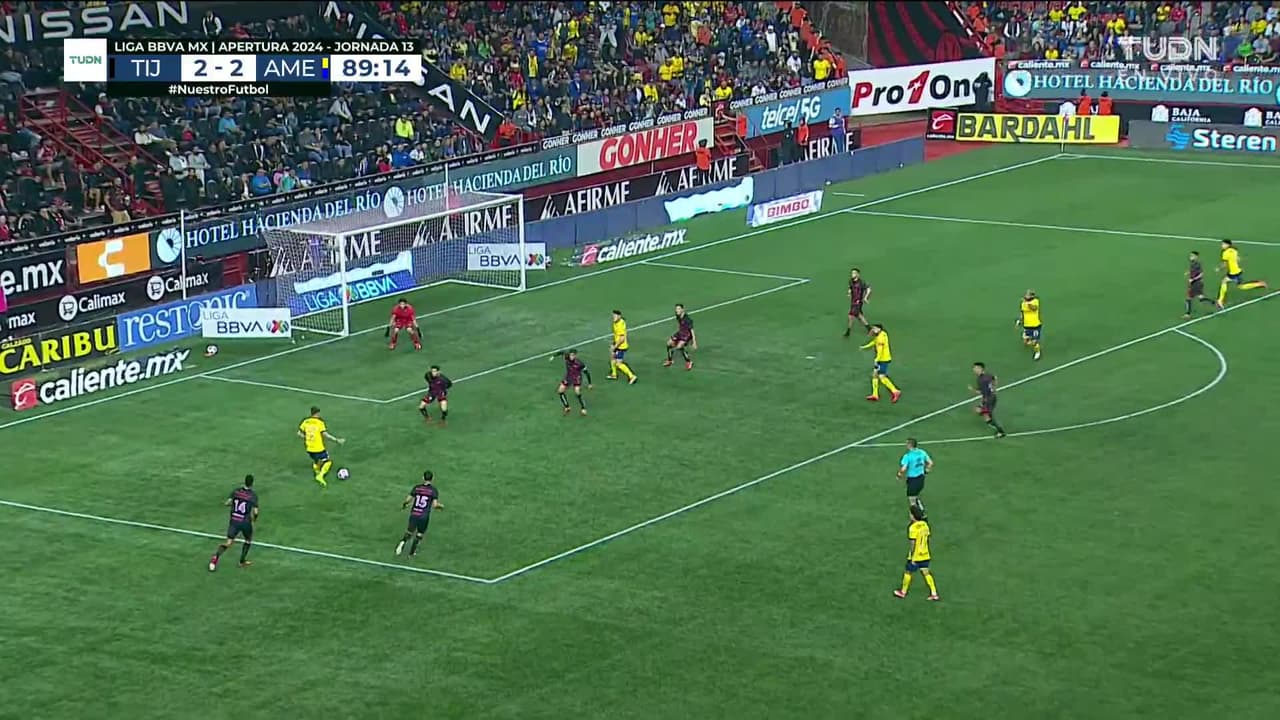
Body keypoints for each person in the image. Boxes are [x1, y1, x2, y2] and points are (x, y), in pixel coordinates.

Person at [208, 475, 258, 571]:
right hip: (245, 522)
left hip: (234, 520)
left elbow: (228, 503)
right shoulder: (253, 495)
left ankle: (215, 557)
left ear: (245, 482)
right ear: (252, 483)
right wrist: (254, 519)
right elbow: (255, 512)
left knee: (228, 543)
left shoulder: (236, 491)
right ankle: (241, 561)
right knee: (248, 540)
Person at [893, 504, 940, 601]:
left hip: (916, 556)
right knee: (926, 572)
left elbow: (913, 544)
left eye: (910, 514)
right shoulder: (925, 525)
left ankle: (903, 592)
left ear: (913, 516)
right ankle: (934, 593)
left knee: (908, 572)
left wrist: (912, 556)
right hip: (925, 554)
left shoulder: (912, 528)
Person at [396, 471, 443, 557]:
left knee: (409, 531)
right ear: (432, 479)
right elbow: (435, 505)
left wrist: (404, 505)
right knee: (419, 534)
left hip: (414, 513)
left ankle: (402, 542)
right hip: (424, 516)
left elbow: (407, 500)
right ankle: (411, 553)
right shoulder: (433, 490)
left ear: (423, 478)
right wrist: (441, 506)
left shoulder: (417, 488)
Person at [298, 406, 344, 487]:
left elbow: (299, 433)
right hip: (318, 448)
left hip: (309, 448)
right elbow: (325, 434)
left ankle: (317, 471)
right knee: (328, 462)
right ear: (317, 413)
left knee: (317, 461)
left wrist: (307, 438)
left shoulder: (305, 421)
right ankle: (320, 476)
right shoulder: (319, 423)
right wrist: (337, 440)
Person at [1216, 239, 1268, 309]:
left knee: (1224, 281)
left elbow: (1225, 264)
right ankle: (1260, 284)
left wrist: (1219, 269)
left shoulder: (1225, 253)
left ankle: (1220, 301)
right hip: (1238, 271)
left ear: (1228, 245)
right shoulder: (1234, 250)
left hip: (1232, 272)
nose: (1222, 245)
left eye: (1223, 244)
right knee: (1241, 286)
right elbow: (1238, 259)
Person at [860, 323, 901, 403]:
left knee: (882, 377)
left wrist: (877, 360)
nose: (873, 330)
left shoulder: (880, 338)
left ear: (879, 329)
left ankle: (895, 391)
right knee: (875, 375)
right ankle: (875, 395)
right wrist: (865, 347)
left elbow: (880, 351)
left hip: (883, 360)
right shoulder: (882, 334)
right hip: (883, 358)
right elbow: (874, 342)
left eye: (875, 328)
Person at [897, 438, 933, 516]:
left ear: (910, 445)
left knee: (912, 503)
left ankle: (918, 516)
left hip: (913, 480)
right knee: (916, 495)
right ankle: (920, 508)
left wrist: (899, 474)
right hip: (921, 479)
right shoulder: (922, 452)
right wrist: (927, 470)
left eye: (907, 444)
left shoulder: (908, 456)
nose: (906, 445)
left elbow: (904, 468)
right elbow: (930, 463)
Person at [971, 363, 1007, 438]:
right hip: (991, 397)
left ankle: (1001, 432)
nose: (974, 370)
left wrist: (973, 390)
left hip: (988, 399)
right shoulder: (988, 375)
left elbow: (982, 392)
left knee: (986, 416)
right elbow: (995, 378)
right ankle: (997, 428)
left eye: (975, 368)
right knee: (983, 413)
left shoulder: (981, 380)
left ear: (980, 368)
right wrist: (994, 389)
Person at [555, 349, 593, 415]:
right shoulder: (567, 358)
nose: (571, 357)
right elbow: (562, 352)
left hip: (577, 378)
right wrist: (553, 356)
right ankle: (567, 407)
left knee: (577, 392)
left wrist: (590, 383)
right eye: (571, 355)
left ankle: (583, 408)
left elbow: (587, 373)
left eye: (573, 355)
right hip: (568, 377)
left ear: (575, 355)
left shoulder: (580, 363)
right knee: (560, 391)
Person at [608, 310, 638, 383]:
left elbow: (622, 339)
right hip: (617, 344)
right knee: (612, 356)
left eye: (615, 316)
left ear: (619, 316)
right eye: (613, 316)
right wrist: (613, 343)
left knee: (618, 364)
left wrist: (615, 347)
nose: (613, 317)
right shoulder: (615, 322)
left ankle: (632, 376)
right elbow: (617, 335)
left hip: (621, 347)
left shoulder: (620, 325)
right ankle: (614, 374)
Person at [665, 304, 697, 369]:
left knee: (679, 347)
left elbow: (692, 331)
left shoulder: (687, 319)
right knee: (668, 344)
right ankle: (670, 360)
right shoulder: (678, 316)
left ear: (682, 310)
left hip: (686, 335)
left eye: (679, 309)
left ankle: (689, 362)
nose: (677, 310)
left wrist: (694, 342)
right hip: (680, 333)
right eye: (676, 309)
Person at [1185, 251, 1216, 318]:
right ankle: (1213, 302)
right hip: (1197, 283)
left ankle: (1187, 314)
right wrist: (1188, 272)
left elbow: (1201, 274)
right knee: (1201, 298)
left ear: (1196, 257)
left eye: (1192, 256)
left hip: (1196, 283)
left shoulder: (1197, 264)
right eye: (1190, 256)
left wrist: (1193, 279)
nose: (1190, 257)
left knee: (1188, 298)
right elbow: (1193, 271)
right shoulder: (1193, 263)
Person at [1015, 289, 1042, 361]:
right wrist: (1019, 321)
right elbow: (1022, 313)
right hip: (1027, 325)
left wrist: (1027, 303)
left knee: (1034, 342)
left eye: (1028, 295)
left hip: (1035, 325)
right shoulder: (1023, 303)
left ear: (1032, 296)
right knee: (1026, 342)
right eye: (1026, 294)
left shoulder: (1035, 301)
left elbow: (1034, 308)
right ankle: (1030, 340)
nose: (1026, 295)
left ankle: (1037, 352)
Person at [844, 267, 871, 336]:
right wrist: (849, 293)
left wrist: (866, 297)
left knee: (850, 315)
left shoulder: (862, 282)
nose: (852, 274)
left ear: (858, 274)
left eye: (854, 273)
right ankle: (869, 328)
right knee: (859, 316)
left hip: (858, 302)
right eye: (852, 273)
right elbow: (850, 288)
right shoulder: (851, 281)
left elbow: (869, 289)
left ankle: (848, 331)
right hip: (853, 301)